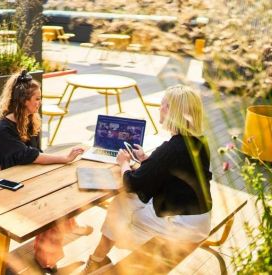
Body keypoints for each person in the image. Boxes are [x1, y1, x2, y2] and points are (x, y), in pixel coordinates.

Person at [81, 84, 213, 274]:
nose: (160, 108)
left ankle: (97, 260)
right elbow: (176, 168)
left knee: (121, 203)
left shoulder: (170, 149)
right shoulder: (200, 142)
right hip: (199, 221)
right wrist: (147, 160)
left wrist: (123, 162)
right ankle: (98, 258)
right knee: (125, 203)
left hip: (180, 229)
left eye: (163, 105)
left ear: (171, 111)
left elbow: (131, 183)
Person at [0, 70, 92, 273]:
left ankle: (68, 226)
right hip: (1, 177)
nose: (39, 103)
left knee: (62, 189)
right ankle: (47, 259)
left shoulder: (29, 118)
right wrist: (64, 158)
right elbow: (28, 155)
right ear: (23, 100)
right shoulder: (3, 129)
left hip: (25, 171)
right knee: (50, 207)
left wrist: (58, 165)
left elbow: (35, 153)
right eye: (37, 99)